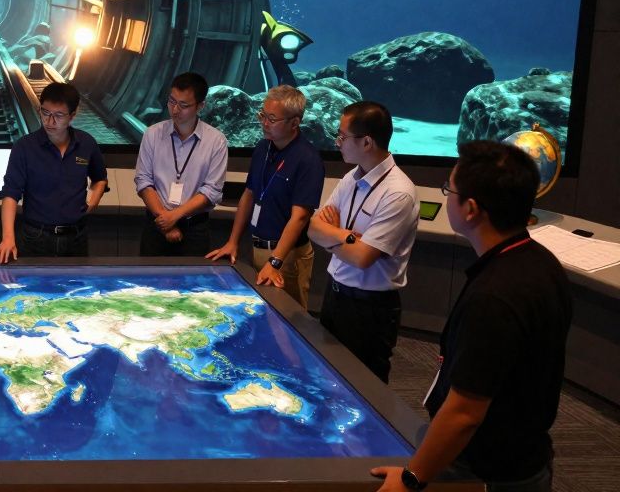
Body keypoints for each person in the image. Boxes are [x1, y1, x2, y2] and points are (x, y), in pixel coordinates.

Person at [371, 141, 571, 492]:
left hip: (490, 474)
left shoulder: (494, 296)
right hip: (528, 457)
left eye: (450, 189)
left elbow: (465, 413)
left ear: (471, 209)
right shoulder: (541, 263)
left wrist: (410, 477)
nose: (447, 195)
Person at [308, 100, 418, 383]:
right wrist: (346, 237)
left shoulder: (398, 192)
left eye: (343, 137)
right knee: (328, 377)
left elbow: (362, 258)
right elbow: (313, 227)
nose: (338, 142)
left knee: (365, 386)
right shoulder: (351, 178)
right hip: (335, 295)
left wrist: (332, 237)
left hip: (370, 309)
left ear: (367, 142)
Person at [206, 85, 324, 308]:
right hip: (257, 248)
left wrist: (275, 261)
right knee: (262, 313)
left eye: (272, 118)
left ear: (294, 123)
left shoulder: (308, 159)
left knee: (289, 321)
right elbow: (249, 194)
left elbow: (299, 217)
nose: (264, 123)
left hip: (286, 255)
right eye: (262, 115)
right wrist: (233, 241)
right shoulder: (263, 148)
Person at [0, 82, 108, 263]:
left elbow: (100, 178)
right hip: (36, 237)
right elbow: (10, 194)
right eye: (45, 113)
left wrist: (94, 200)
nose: (49, 121)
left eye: (58, 115)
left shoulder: (87, 144)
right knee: (34, 290)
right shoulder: (24, 147)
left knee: (77, 290)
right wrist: (8, 237)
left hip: (76, 238)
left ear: (72, 116)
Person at [133, 72, 229, 257]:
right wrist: (165, 220)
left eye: (184, 105)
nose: (175, 110)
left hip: (194, 228)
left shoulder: (216, 141)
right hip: (157, 223)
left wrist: (174, 216)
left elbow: (211, 191)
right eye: (171, 101)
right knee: (150, 283)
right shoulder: (152, 134)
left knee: (191, 284)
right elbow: (143, 180)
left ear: (200, 106)